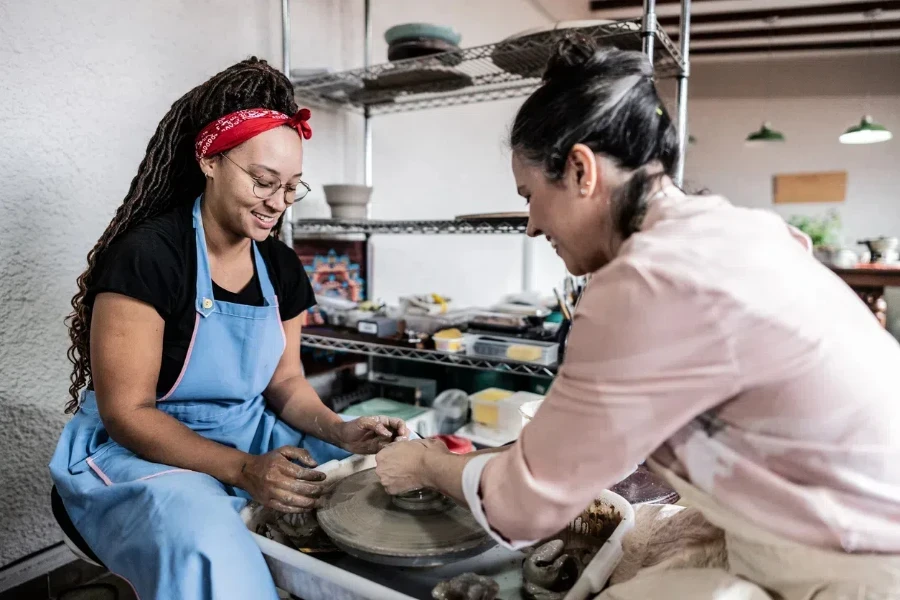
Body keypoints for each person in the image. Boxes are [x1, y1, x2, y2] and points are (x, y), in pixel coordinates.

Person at [375, 37, 900, 598]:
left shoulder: (646, 280)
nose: (530, 224)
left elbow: (523, 507)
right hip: (832, 516)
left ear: (581, 171)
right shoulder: (736, 228)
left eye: (530, 196)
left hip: (857, 560)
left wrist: (426, 468)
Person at [50, 57, 409, 600]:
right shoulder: (150, 256)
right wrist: (243, 469)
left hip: (249, 430)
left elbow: (285, 384)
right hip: (143, 448)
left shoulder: (281, 266)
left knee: (385, 471)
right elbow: (128, 414)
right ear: (210, 160)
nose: (276, 204)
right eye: (263, 181)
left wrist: (339, 429)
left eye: (291, 188)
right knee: (206, 538)